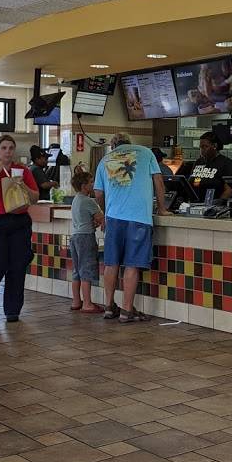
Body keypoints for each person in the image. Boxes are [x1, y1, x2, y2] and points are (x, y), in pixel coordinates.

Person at [94, 133, 170, 323]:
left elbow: (98, 193)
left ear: (113, 146)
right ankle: (127, 310)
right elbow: (159, 181)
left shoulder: (105, 159)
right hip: (139, 217)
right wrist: (162, 209)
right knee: (132, 264)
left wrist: (106, 211)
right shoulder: (145, 153)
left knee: (111, 263)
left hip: (113, 218)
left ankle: (109, 307)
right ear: (129, 143)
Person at [0, 135, 38, 322]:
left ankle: (13, 309)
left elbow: (34, 197)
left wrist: (22, 184)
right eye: (3, 148)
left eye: (11, 148)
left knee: (17, 266)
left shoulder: (23, 170)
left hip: (19, 222)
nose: (8, 152)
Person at [69, 169, 105, 314]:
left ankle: (76, 301)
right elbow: (101, 218)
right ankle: (88, 303)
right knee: (86, 269)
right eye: (91, 182)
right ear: (84, 186)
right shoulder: (88, 201)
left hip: (75, 237)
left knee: (77, 270)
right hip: (86, 237)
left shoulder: (76, 199)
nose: (93, 184)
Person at [189, 131, 232, 200]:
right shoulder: (199, 162)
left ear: (215, 146)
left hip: (215, 203)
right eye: (200, 147)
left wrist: (219, 203)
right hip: (195, 202)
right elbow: (194, 182)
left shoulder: (226, 163)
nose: (202, 150)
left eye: (205, 147)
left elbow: (229, 190)